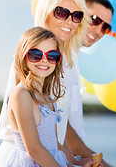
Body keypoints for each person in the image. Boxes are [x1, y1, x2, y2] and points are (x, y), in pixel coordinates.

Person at [0, 0, 108, 166]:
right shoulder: (30, 60)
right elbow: (34, 146)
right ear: (46, 12)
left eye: (77, 16)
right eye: (61, 13)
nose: (70, 22)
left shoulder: (65, 63)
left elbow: (55, 136)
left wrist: (75, 162)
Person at [4, 26, 69, 166]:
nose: (44, 60)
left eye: (52, 56)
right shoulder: (21, 95)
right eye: (36, 54)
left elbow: (55, 145)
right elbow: (34, 149)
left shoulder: (48, 99)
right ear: (23, 56)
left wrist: (77, 162)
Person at [65, 0, 114, 167]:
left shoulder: (73, 59)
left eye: (106, 27)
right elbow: (59, 125)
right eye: (94, 19)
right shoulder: (54, 55)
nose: (99, 31)